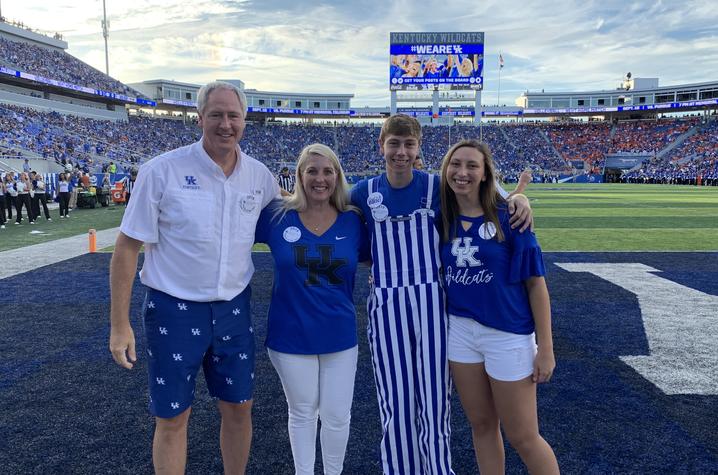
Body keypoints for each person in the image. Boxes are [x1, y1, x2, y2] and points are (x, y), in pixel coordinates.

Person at [109, 81, 279, 474]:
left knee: (239, 408)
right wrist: (120, 324)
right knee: (172, 418)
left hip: (233, 309)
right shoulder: (161, 171)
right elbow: (126, 248)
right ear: (199, 118)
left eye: (233, 115)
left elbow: (293, 225)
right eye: (216, 115)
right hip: (174, 309)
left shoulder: (259, 176)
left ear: (245, 121)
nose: (225, 124)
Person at [350, 114, 532, 474]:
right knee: (395, 400)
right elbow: (341, 230)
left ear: (419, 148)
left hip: (434, 305)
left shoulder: (437, 187)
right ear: (381, 145)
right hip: (387, 307)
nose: (401, 151)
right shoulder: (362, 192)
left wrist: (521, 199)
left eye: (409, 144)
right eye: (394, 143)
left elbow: (493, 199)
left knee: (435, 402)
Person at [438, 139, 558, 474]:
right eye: (456, 164)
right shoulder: (441, 216)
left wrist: (545, 348)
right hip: (460, 332)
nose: (462, 173)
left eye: (472, 165)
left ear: (486, 172)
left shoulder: (510, 217)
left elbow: (536, 285)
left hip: (508, 334)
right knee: (481, 425)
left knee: (523, 436)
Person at [255, 143, 369, 475]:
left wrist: (514, 198)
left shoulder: (353, 220)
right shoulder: (276, 216)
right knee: (302, 412)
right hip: (290, 334)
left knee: (337, 415)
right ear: (300, 176)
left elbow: (382, 252)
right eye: (312, 171)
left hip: (339, 334)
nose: (320, 179)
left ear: (337, 176)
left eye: (327, 171)